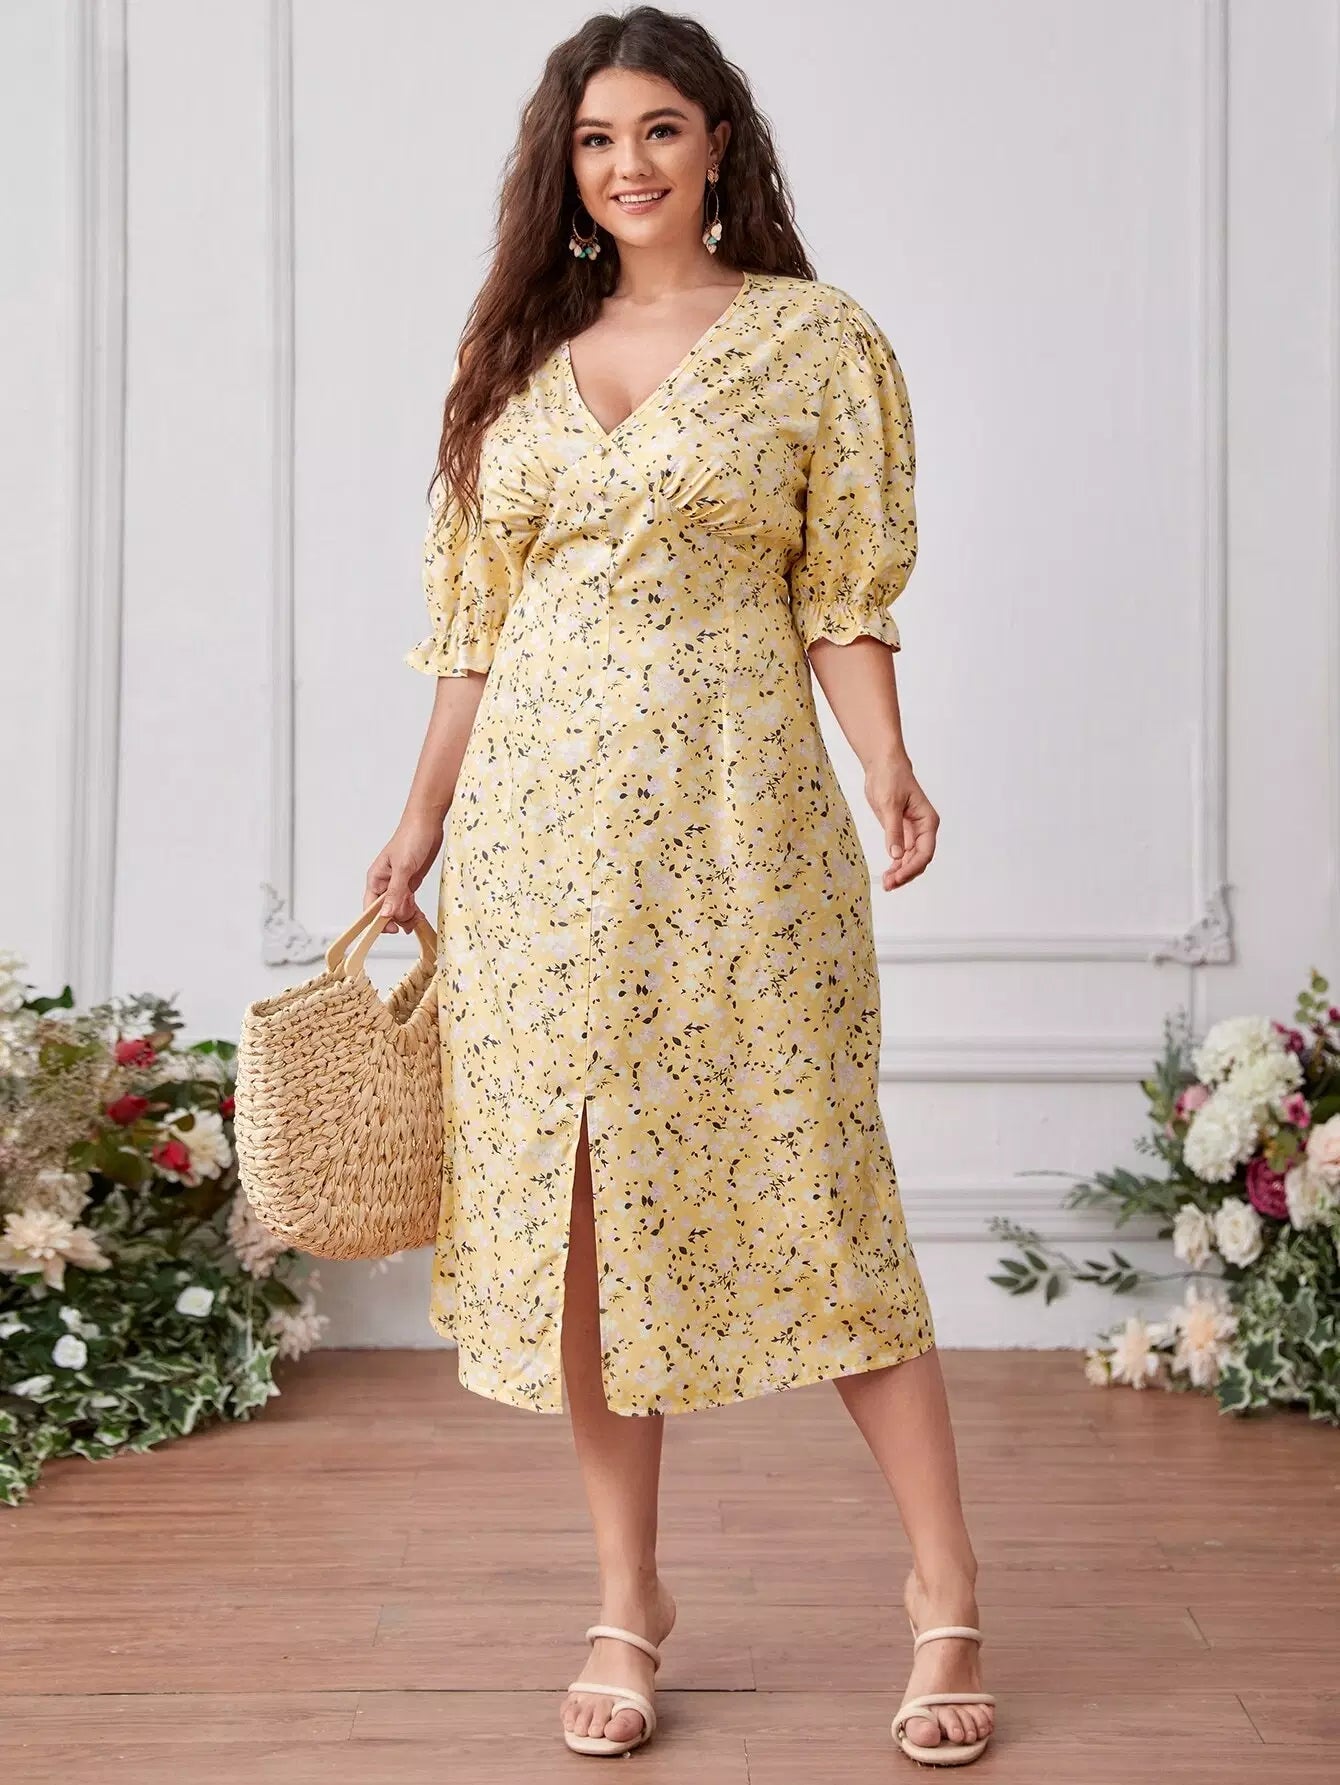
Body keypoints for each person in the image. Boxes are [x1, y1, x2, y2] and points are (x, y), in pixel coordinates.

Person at [365, 4, 995, 1767]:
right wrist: (418, 823)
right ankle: (627, 1595)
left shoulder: (812, 338)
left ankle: (946, 1587)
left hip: (738, 823)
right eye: (595, 139)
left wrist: (886, 760)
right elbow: (473, 629)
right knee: (578, 1207)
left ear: (719, 140)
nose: (627, 163)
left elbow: (843, 589)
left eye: (658, 128)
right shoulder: (516, 355)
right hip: (539, 843)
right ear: (562, 168)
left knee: (821, 1177)